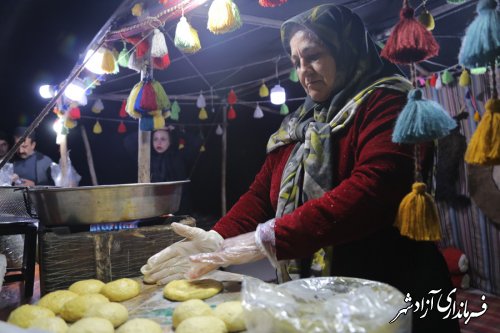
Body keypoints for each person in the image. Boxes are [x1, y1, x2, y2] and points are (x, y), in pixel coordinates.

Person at [142, 4, 459, 332]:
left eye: (314, 55)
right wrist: (216, 237)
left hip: (393, 291)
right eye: (296, 62)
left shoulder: (390, 104)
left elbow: (373, 190)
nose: (304, 70)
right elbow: (260, 195)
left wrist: (267, 239)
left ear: (346, 50)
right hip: (326, 298)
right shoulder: (299, 124)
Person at [150, 128, 191, 214]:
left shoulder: (179, 155)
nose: (159, 143)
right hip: (155, 206)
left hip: (177, 207)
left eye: (163, 139)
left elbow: (196, 142)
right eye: (155, 139)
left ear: (170, 141)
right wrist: (149, 129)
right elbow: (128, 141)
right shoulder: (148, 157)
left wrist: (176, 131)